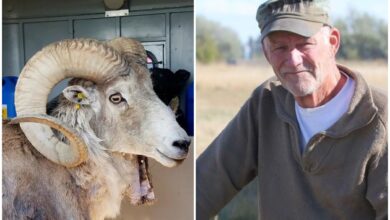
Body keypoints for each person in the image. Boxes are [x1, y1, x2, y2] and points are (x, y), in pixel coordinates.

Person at [196, 0, 387, 219]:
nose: (293, 60)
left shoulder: (379, 117)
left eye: (305, 44)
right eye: (280, 47)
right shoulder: (266, 103)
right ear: (267, 53)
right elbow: (204, 186)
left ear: (333, 43)